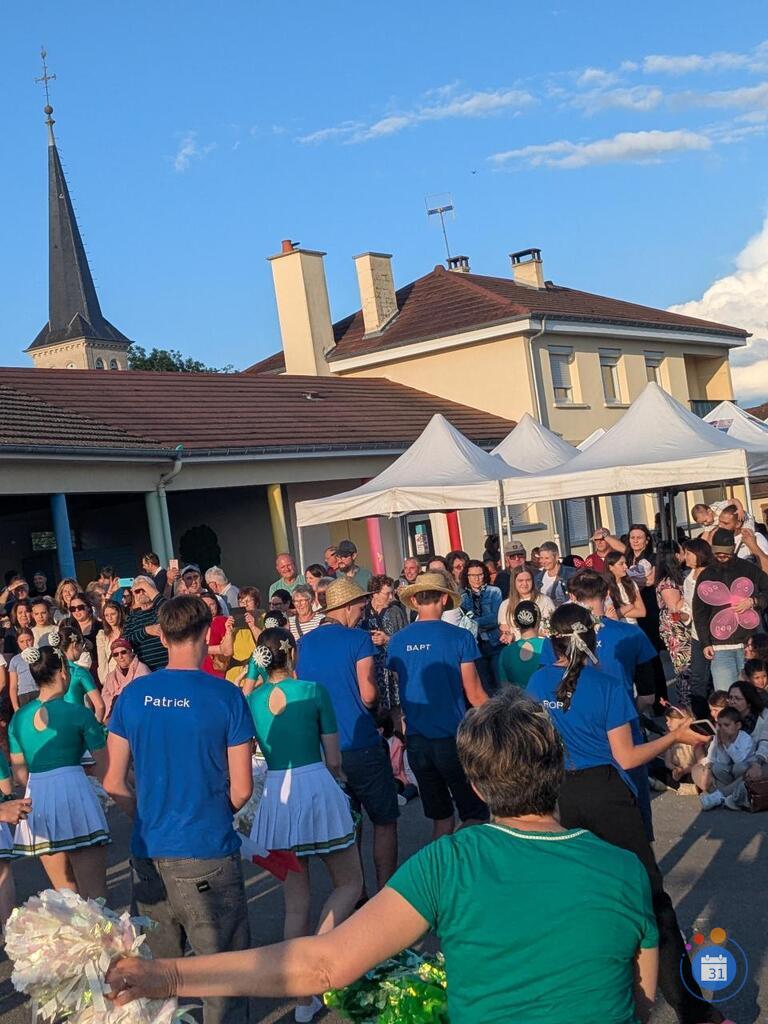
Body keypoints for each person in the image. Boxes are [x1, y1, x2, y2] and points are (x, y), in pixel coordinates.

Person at [106, 689, 661, 1024]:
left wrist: (168, 975)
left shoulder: (452, 862)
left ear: (477, 781)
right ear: (558, 767)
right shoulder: (625, 870)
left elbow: (323, 964)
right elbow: (639, 1001)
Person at [527, 603, 718, 1024]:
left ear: (551, 641)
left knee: (580, 902)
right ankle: (692, 1010)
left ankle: (589, 1001)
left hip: (560, 795)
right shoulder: (606, 684)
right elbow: (627, 756)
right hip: (606, 794)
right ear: (592, 640)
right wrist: (674, 738)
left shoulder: (537, 682)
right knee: (651, 900)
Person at [103, 595, 255, 1024]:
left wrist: (148, 818)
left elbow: (113, 780)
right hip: (206, 847)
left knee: (158, 976)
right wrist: (207, 815)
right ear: (207, 634)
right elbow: (241, 789)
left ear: (162, 636)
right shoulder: (226, 696)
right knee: (222, 970)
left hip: (149, 849)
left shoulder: (133, 696)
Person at [245, 627, 361, 1024]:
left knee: (296, 901)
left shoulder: (253, 699)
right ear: (291, 653)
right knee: (350, 882)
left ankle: (301, 997)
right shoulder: (313, 690)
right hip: (316, 785)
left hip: (279, 791)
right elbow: (333, 758)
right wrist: (341, 780)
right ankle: (319, 961)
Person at [296, 578, 398, 890]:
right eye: (360, 605)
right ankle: (385, 893)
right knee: (384, 820)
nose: (363, 609)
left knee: (348, 823)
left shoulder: (304, 643)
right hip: (361, 741)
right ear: (346, 606)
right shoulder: (357, 639)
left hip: (325, 747)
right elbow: (368, 695)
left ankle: (357, 894)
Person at [388, 573, 488, 840]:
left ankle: (440, 873)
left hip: (417, 741)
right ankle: (469, 872)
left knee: (441, 818)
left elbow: (401, 690)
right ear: (444, 598)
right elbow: (475, 694)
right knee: (475, 814)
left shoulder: (397, 641)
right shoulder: (460, 637)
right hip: (452, 737)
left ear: (415, 600)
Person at [10, 644, 109, 899]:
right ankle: (103, 938)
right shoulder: (78, 712)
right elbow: (104, 766)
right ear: (63, 670)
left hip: (38, 799)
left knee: (66, 896)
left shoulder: (18, 718)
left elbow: (21, 774)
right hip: (75, 794)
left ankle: (77, 939)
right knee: (95, 896)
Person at [692, 528, 768, 691]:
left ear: (733, 549)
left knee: (753, 694)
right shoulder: (706, 575)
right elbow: (699, 612)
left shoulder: (748, 568)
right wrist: (705, 643)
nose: (721, 557)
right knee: (726, 695)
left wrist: (753, 601)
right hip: (720, 646)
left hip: (748, 643)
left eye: (725, 554)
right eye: (718, 554)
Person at [359, 576, 408, 713]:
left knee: (397, 712)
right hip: (371, 670)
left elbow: (406, 640)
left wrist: (388, 639)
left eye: (392, 593)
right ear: (374, 593)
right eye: (387, 593)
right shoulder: (363, 613)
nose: (391, 597)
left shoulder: (396, 612)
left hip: (393, 669)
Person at [693, 707, 753, 810]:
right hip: (727, 777)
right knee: (715, 768)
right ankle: (727, 796)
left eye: (726, 725)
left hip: (741, 774)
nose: (722, 729)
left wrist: (727, 744)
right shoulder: (718, 738)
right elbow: (713, 760)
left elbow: (740, 760)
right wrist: (708, 771)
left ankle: (719, 796)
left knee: (741, 767)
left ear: (738, 725)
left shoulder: (746, 738)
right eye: (719, 725)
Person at [655, 541, 692, 708]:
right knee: (684, 670)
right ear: (676, 555)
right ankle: (687, 708)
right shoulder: (668, 582)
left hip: (680, 626)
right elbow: (674, 608)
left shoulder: (676, 578)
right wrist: (690, 591)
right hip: (677, 629)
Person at [681, 538, 714, 719]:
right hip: (697, 634)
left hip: (717, 633)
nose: (685, 557)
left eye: (688, 553)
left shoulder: (713, 574)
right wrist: (681, 614)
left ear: (699, 554)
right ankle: (702, 721)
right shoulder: (688, 579)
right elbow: (688, 607)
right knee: (698, 679)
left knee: (716, 677)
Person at [460, 560, 503, 691]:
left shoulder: (494, 591)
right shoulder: (462, 597)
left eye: (480, 574)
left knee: (499, 682)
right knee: (484, 685)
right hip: (476, 645)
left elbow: (496, 618)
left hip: (494, 642)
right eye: (472, 575)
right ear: (467, 577)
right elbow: (463, 621)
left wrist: (475, 623)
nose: (477, 578)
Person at [58, 624, 105, 722]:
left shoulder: (52, 669)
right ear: (75, 645)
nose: (82, 650)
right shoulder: (79, 672)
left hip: (56, 724)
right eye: (82, 645)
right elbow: (100, 706)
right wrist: (94, 728)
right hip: (76, 723)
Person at [498, 565, 554, 643]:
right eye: (520, 580)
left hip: (540, 646)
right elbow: (504, 629)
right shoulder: (505, 604)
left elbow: (551, 629)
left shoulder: (545, 600)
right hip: (517, 647)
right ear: (514, 582)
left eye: (528, 580)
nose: (525, 584)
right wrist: (508, 636)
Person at [124, 576, 168, 672]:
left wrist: (146, 586)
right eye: (137, 591)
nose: (141, 593)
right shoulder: (131, 618)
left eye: (144, 589)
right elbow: (126, 641)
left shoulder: (162, 610)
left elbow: (171, 610)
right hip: (145, 669)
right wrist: (146, 631)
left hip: (168, 665)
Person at [497, 601, 545, 688]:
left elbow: (504, 686)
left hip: (517, 700)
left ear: (515, 623)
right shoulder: (549, 647)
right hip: (543, 700)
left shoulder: (506, 652)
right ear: (538, 621)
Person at [102, 638, 150, 721]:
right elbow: (105, 698)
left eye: (123, 652)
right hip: (113, 720)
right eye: (116, 654)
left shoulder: (143, 671)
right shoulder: (110, 676)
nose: (120, 657)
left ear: (131, 652)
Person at [225, 587, 263, 685]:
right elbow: (226, 651)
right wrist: (228, 631)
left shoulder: (263, 617)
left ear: (257, 602)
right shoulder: (235, 619)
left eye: (248, 601)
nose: (245, 604)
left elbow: (265, 643)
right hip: (234, 672)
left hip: (256, 673)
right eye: (241, 601)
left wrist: (253, 626)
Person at [68, 592, 102, 684]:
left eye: (80, 607)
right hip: (74, 673)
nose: (76, 611)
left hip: (96, 671)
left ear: (88, 607)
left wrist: (92, 647)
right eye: (72, 609)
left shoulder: (100, 626)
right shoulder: (68, 628)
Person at [605, 550, 646, 624]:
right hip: (618, 627)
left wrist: (618, 613)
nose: (626, 567)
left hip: (633, 626)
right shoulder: (604, 586)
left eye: (625, 563)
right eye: (621, 564)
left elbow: (642, 612)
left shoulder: (630, 583)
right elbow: (607, 613)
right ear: (610, 567)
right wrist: (628, 607)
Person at [533, 541, 575, 607]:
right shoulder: (537, 579)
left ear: (556, 557)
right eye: (541, 558)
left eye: (547, 558)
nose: (543, 561)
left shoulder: (571, 574)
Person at [96, 600, 125, 684]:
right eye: (106, 615)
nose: (109, 618)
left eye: (113, 614)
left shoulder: (128, 631)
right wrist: (105, 680)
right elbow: (102, 659)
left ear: (119, 614)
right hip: (111, 677)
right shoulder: (102, 635)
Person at [8, 629, 38, 710]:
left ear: (33, 639)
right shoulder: (15, 660)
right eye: (22, 641)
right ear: (17, 642)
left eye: (29, 640)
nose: (26, 644)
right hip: (24, 695)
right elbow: (13, 686)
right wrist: (15, 707)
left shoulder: (41, 656)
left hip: (40, 692)